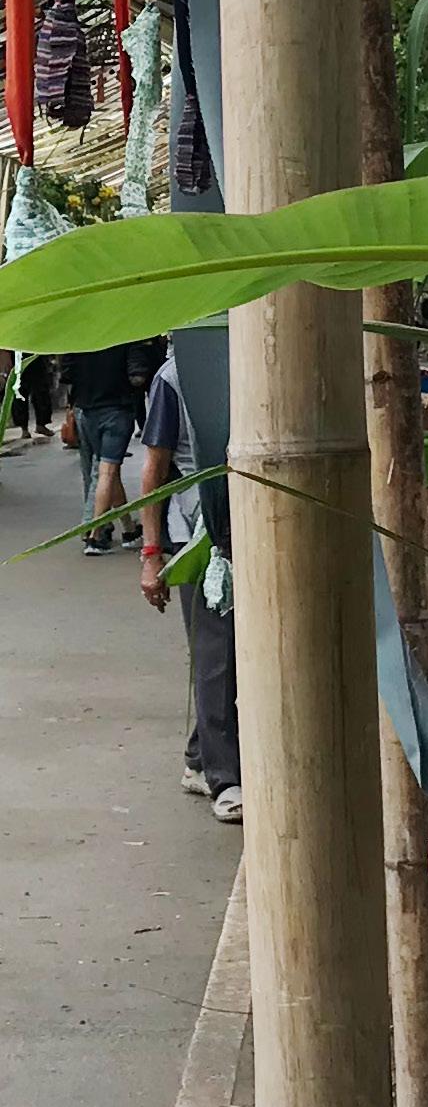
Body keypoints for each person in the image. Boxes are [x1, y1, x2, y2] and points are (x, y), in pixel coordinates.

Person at [139, 341, 242, 824]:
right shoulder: (174, 377)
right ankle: (225, 779)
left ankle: (200, 759)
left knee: (233, 654)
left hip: (248, 524)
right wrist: (151, 554)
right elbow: (155, 470)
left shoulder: (247, 361)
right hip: (198, 535)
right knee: (216, 657)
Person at [57, 344, 144, 552]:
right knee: (107, 472)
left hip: (87, 412)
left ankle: (129, 529)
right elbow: (138, 376)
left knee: (110, 472)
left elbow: (67, 374)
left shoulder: (80, 338)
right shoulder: (126, 338)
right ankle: (95, 536)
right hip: (117, 410)